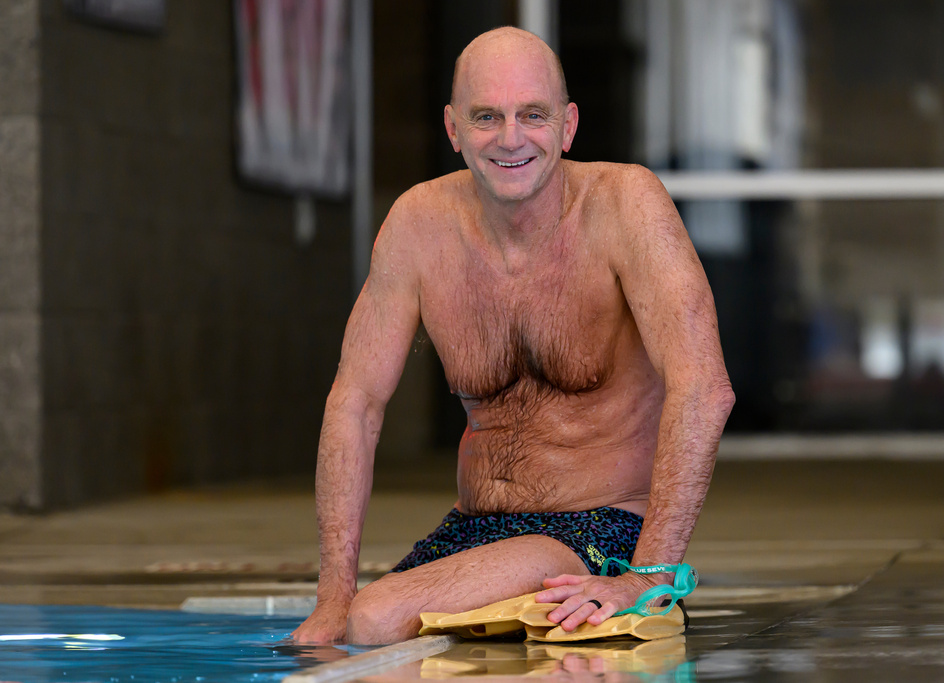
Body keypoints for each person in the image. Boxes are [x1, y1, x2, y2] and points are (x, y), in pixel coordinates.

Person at [291, 26, 734, 645]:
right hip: (477, 530)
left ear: (568, 126)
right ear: (453, 129)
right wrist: (331, 596)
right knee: (347, 628)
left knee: (376, 618)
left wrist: (650, 575)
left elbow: (704, 389)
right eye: (486, 117)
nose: (510, 137)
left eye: (532, 115)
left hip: (602, 529)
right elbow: (355, 405)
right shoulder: (419, 224)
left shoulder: (624, 205)